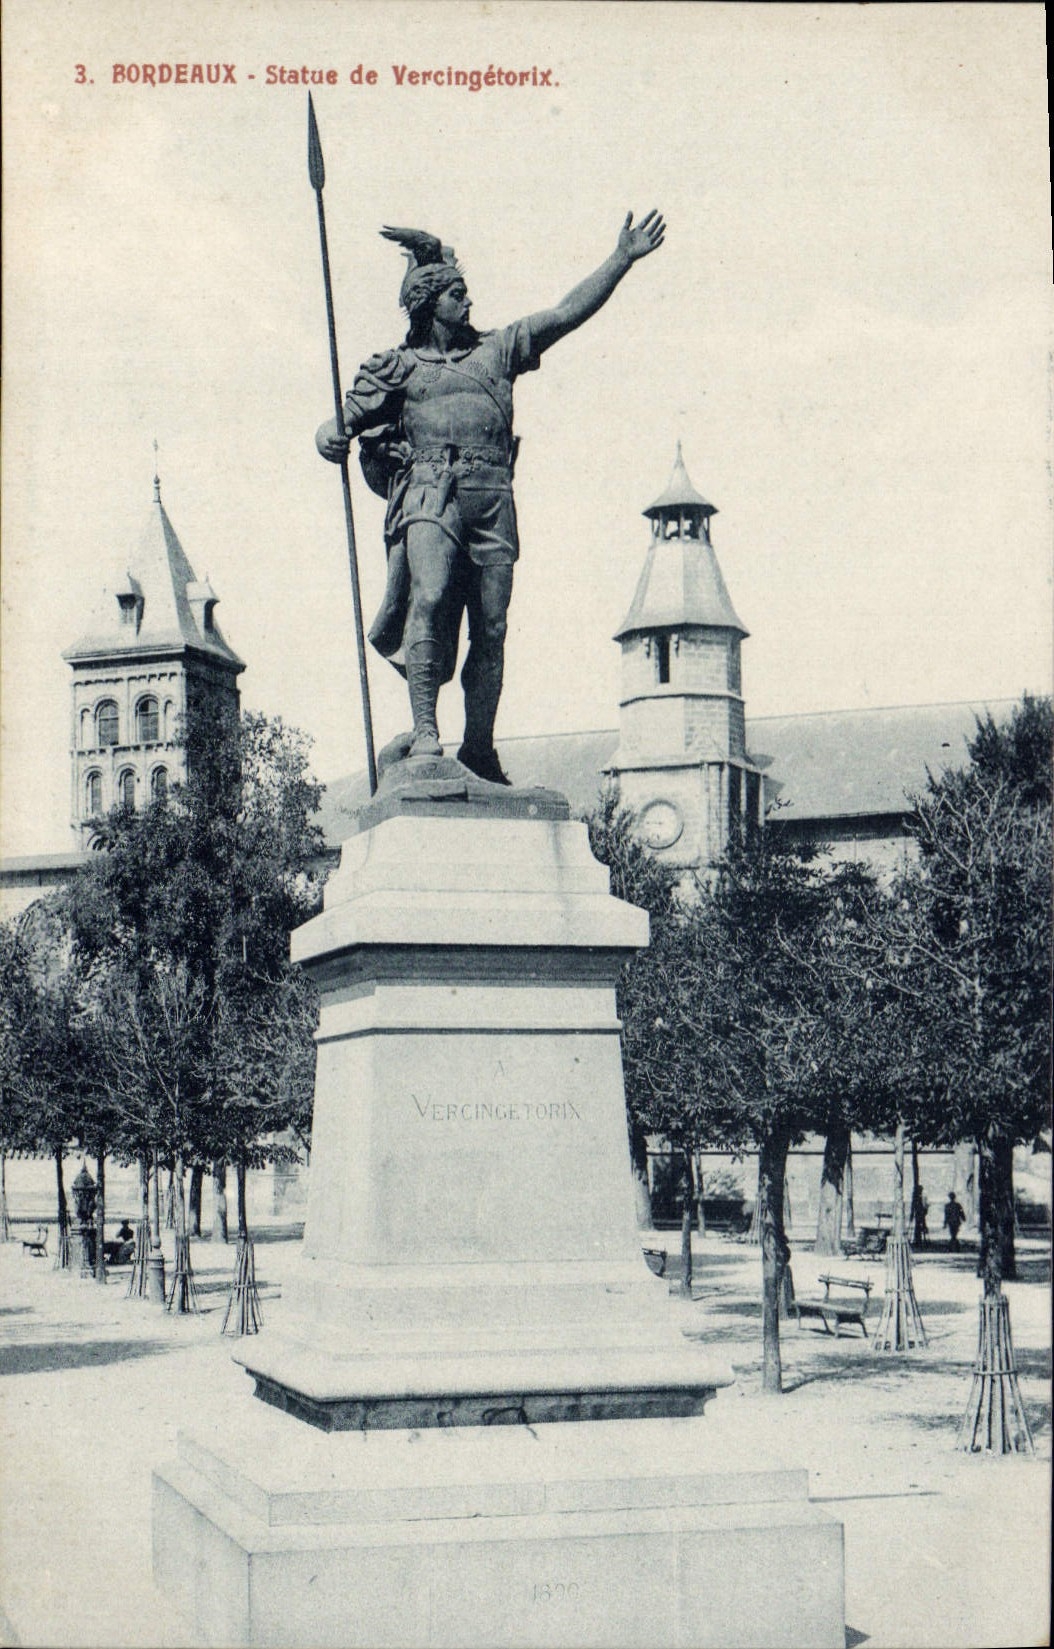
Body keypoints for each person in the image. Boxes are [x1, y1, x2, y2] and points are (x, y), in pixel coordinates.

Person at [316, 211, 665, 784]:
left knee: (493, 625)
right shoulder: (399, 367)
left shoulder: (498, 350)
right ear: (430, 304)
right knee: (430, 597)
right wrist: (329, 436)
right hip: (431, 493)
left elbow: (565, 314)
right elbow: (339, 423)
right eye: (457, 295)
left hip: (493, 495)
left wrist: (621, 259)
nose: (468, 302)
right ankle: (426, 732)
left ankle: (479, 745)